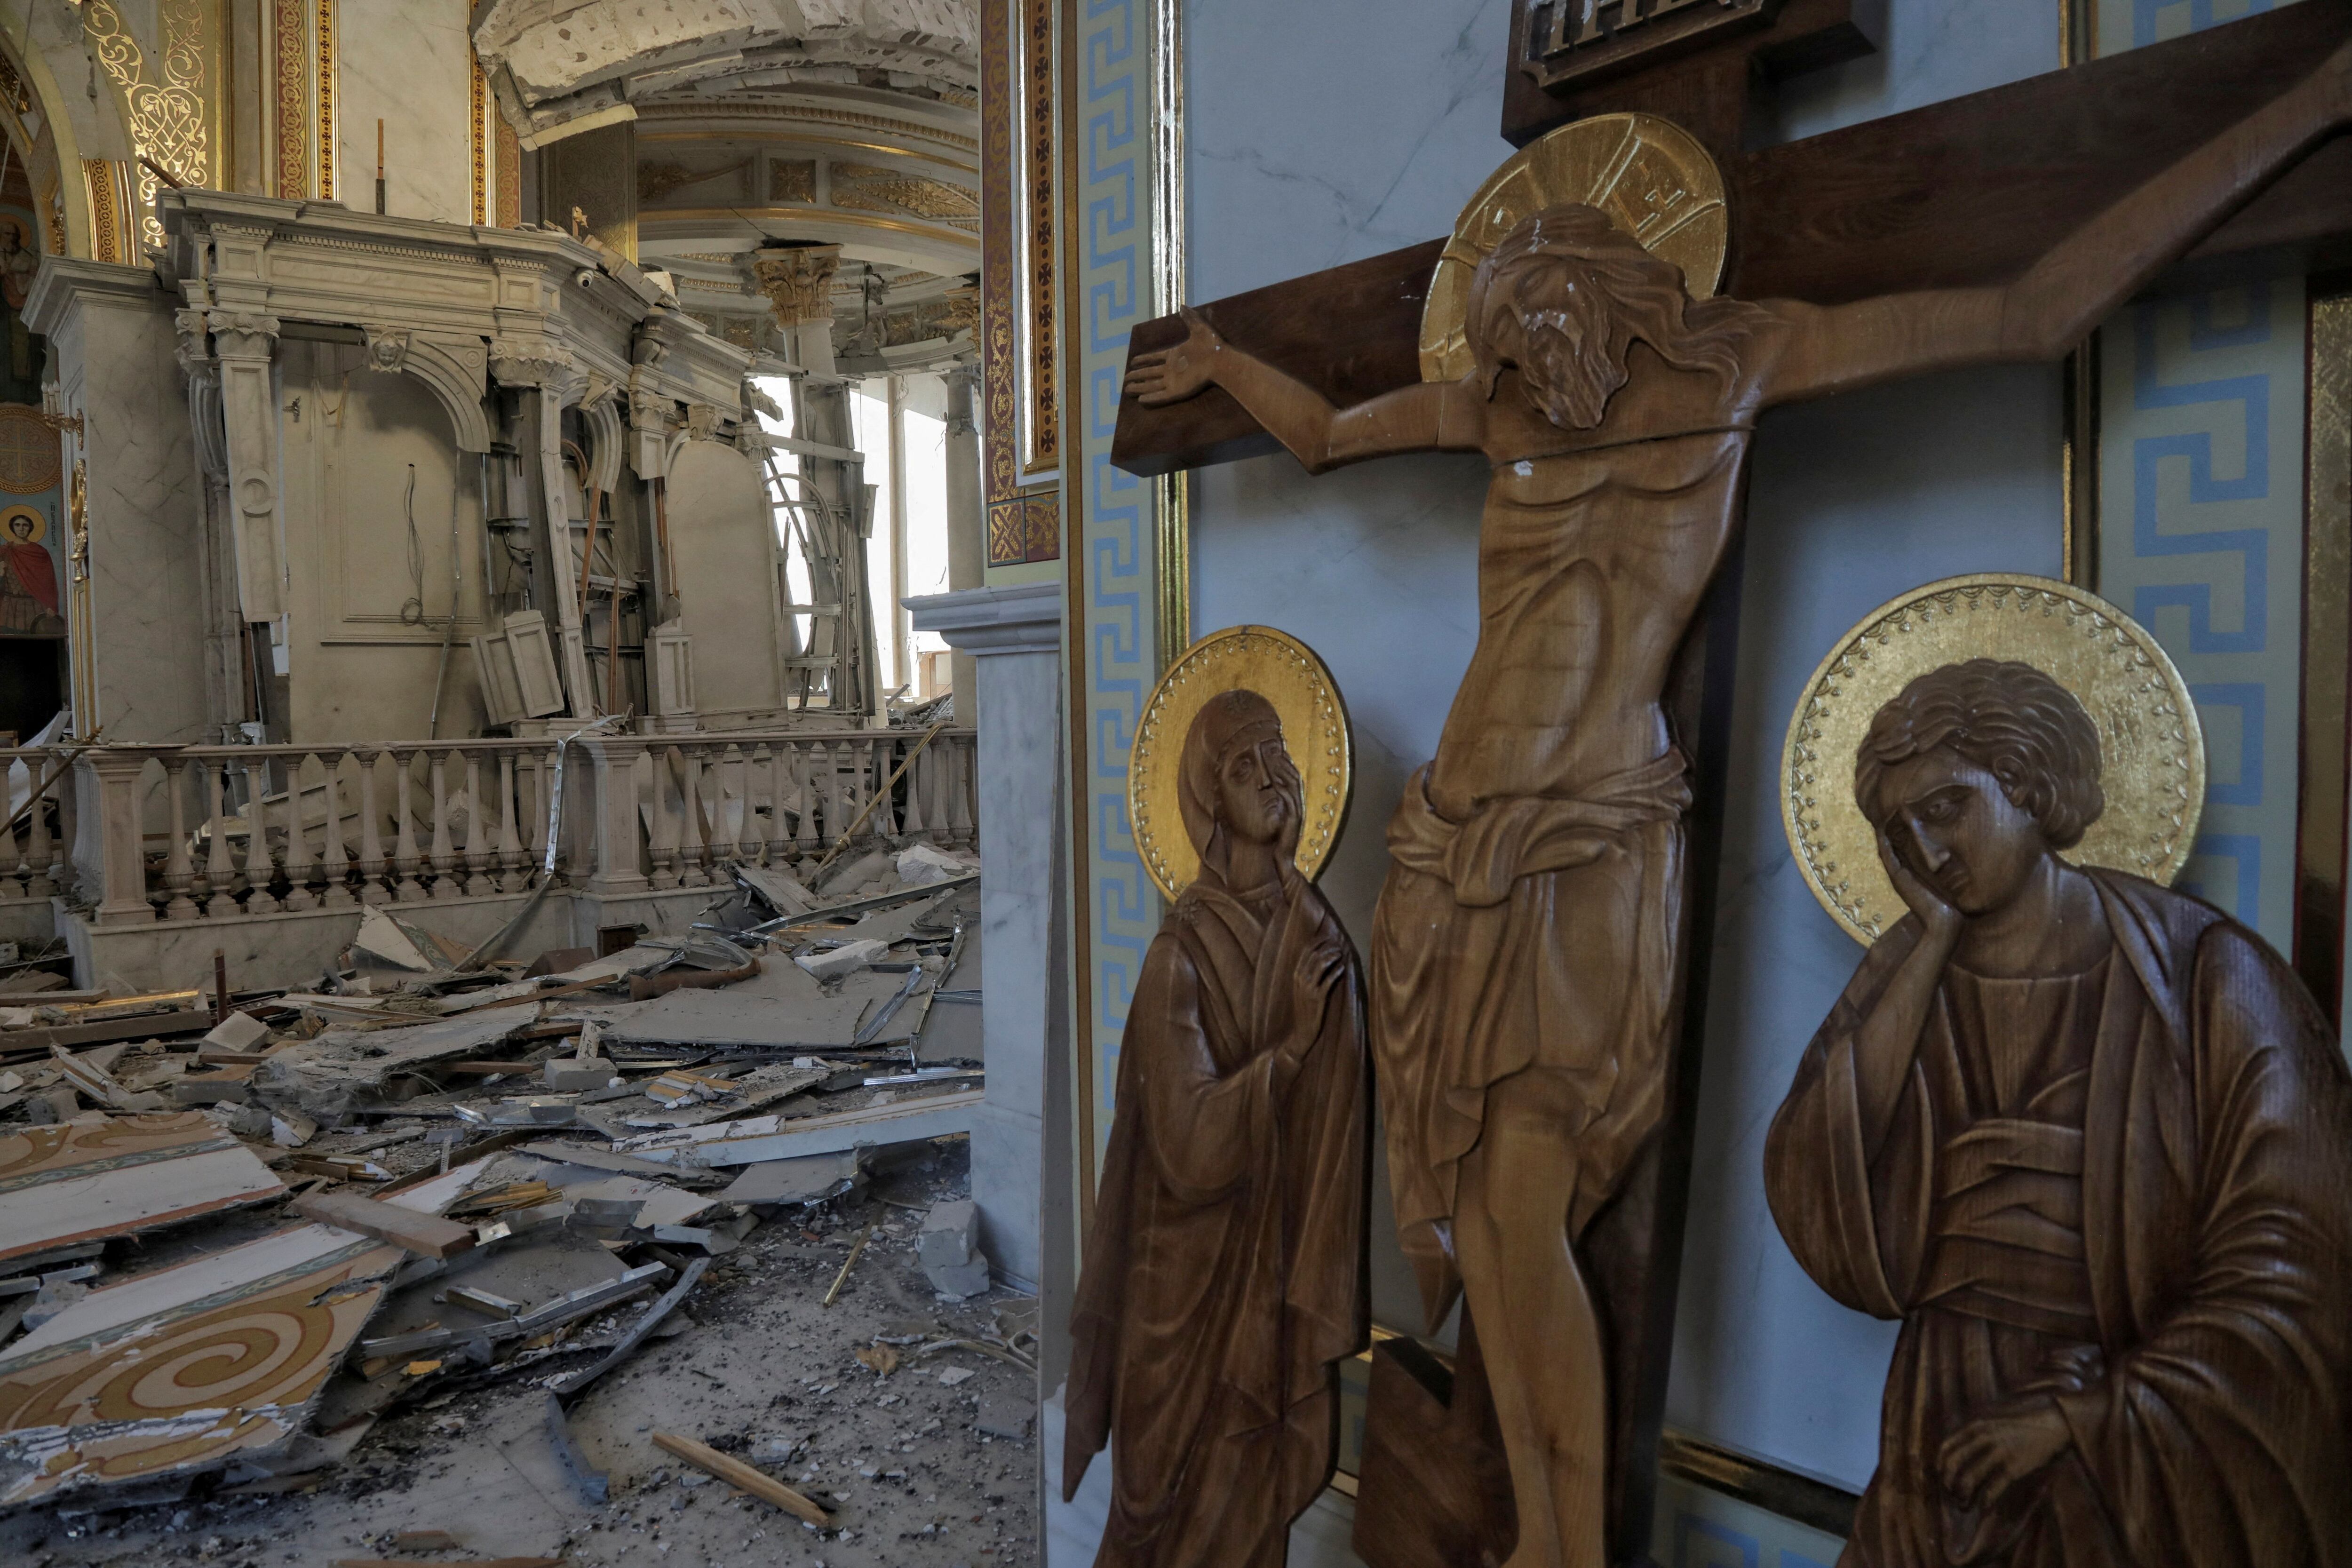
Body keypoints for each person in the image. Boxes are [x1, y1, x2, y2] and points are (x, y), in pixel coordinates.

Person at [1121, 41, 2352, 1568]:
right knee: (1491, 1229)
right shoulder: (1496, 410)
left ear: (1608, 294)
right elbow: (1319, 432)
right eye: (1502, 340)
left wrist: (2291, 117)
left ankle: (1565, 1547)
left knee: (1522, 1204)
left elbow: (2031, 306)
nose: (1517, 365)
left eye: (1537, 325)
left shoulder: (1743, 361)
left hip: (1589, 832)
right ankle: (1546, 1535)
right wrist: (1221, 362)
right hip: (1451, 844)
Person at [1764, 659, 2352, 1566]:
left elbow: (2298, 1259)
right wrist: (1928, 950)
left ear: (2028, 780)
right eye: (1899, 832)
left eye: (1949, 806)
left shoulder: (2204, 978)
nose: (1929, 852)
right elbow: (1817, 1191)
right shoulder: (1901, 980)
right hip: (1940, 1408)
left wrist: (2087, 1416)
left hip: (2121, 1424)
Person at [1063, 688, 1369, 1568]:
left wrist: (1323, 1041)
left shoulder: (1319, 938)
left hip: (1268, 1273)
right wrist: (1290, 1050)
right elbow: (1194, 1145)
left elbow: (1337, 1126)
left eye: (1279, 754)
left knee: (1247, 1523)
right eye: (1244, 765)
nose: (1273, 775)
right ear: (1207, 802)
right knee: (1158, 1521)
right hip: (1180, 1291)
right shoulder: (1178, 957)